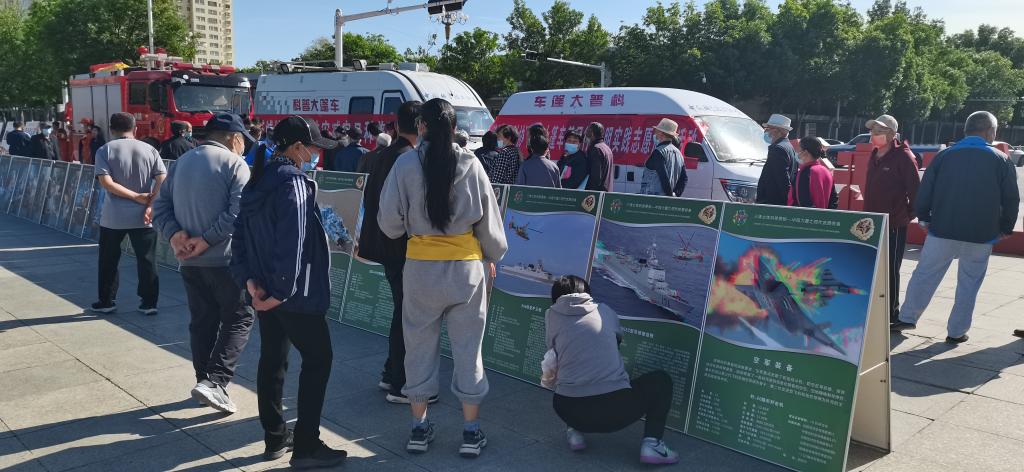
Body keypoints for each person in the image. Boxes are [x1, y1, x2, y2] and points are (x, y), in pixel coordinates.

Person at [378, 98, 508, 458]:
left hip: (420, 270)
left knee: (418, 348)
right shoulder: (471, 163)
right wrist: (492, 255)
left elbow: (389, 224)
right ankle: (471, 432)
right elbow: (491, 228)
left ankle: (418, 429)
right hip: (466, 270)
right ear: (454, 128)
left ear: (421, 127)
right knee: (469, 351)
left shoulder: (405, 164)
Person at [229, 116, 349, 468]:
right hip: (293, 292)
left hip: (265, 288)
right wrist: (281, 291)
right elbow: (292, 241)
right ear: (297, 148)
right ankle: (307, 445)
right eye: (313, 147)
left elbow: (240, 234)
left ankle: (275, 436)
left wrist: (250, 282)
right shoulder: (294, 182)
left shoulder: (260, 178)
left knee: (273, 359)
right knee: (319, 359)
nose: (316, 154)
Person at [151, 113, 254, 415]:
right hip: (226, 260)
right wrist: (207, 240)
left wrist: (175, 236)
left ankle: (203, 381)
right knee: (239, 318)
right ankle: (216, 382)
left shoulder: (181, 162)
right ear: (234, 138)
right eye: (243, 141)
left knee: (202, 321)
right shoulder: (236, 164)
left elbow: (160, 207)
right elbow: (239, 213)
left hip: (190, 261)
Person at [892, 111, 1019, 344]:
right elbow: (1011, 198)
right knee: (969, 283)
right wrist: (1005, 227)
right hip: (981, 234)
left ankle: (907, 317)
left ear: (966, 130)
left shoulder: (944, 156)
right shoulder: (1001, 159)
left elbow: (925, 190)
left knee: (925, 274)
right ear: (990, 132)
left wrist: (923, 218)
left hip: (942, 229)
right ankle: (957, 331)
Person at [544, 275, 679, 464]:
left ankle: (574, 432)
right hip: (615, 412)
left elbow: (553, 351)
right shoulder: (604, 311)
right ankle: (653, 445)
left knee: (573, 369)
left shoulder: (551, 315)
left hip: (565, 407)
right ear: (587, 293)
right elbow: (616, 342)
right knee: (661, 380)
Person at [358, 101, 432, 405]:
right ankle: (401, 384)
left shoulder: (384, 154)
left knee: (402, 311)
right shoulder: (408, 159)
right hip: (402, 248)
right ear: (421, 126)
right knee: (408, 316)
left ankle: (391, 373)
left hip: (384, 246)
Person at [89, 112, 167, 315]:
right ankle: (149, 303)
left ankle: (107, 301)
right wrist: (150, 204)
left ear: (111, 129)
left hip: (113, 217)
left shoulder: (105, 150)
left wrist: (134, 196)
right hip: (144, 217)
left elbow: (106, 183)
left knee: (108, 260)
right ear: (135, 128)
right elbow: (162, 178)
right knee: (147, 260)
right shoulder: (150, 149)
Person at [862, 115, 921, 323]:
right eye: (873, 130)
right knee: (873, 267)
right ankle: (874, 310)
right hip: (872, 223)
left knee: (890, 269)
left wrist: (905, 215)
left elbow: (916, 193)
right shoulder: (875, 153)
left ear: (892, 134)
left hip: (894, 223)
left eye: (879, 131)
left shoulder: (904, 157)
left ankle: (891, 313)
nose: (874, 134)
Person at [756, 114, 798, 206]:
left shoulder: (778, 149)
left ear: (776, 131)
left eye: (768, 128)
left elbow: (783, 180)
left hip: (773, 203)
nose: (765, 132)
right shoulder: (789, 147)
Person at [641, 119, 686, 197]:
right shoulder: (679, 154)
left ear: (661, 133)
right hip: (667, 200)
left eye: (657, 131)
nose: (655, 133)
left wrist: (669, 196)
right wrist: (675, 194)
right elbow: (684, 178)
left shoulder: (659, 152)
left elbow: (663, 177)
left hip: (653, 199)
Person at [788, 137, 835, 209]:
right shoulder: (826, 171)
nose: (797, 152)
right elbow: (834, 200)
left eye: (799, 149)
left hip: (804, 215)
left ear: (805, 152)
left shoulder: (805, 173)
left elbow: (803, 203)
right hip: (824, 215)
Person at [584, 122, 614, 192]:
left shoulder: (595, 149)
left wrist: (590, 192)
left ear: (591, 133)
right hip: (607, 192)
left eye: (587, 132)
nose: (585, 135)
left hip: (596, 194)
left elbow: (596, 176)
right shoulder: (607, 148)